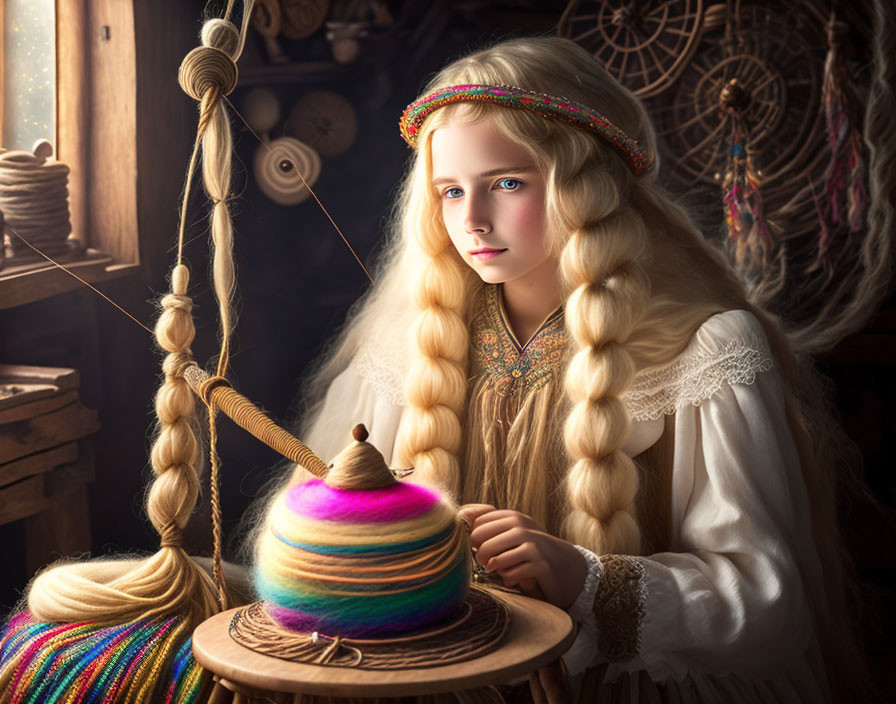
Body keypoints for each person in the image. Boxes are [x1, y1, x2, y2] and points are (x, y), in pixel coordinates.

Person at [293, 37, 863, 702]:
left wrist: (586, 580)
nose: (472, 220)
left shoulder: (703, 350)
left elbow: (766, 601)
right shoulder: (406, 346)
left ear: (584, 187)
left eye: (507, 183)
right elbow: (317, 550)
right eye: (450, 191)